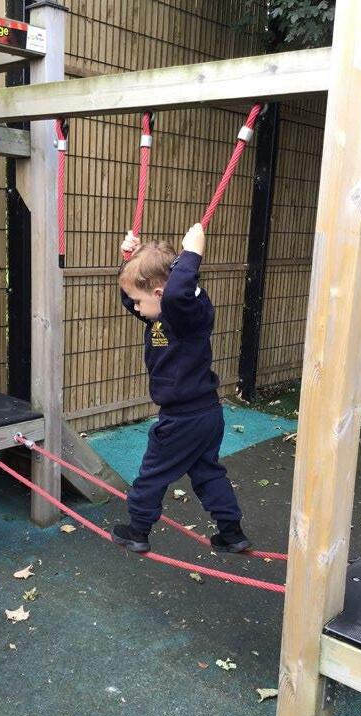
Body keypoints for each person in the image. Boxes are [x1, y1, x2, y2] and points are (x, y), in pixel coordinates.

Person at [112, 223, 250, 554]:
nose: (135, 308)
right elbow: (136, 296)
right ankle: (231, 533)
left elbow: (175, 293)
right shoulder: (162, 314)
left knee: (152, 473)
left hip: (182, 418)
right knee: (207, 473)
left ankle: (137, 530)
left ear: (160, 294)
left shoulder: (188, 314)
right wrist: (128, 259)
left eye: (140, 302)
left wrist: (192, 253)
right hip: (206, 414)